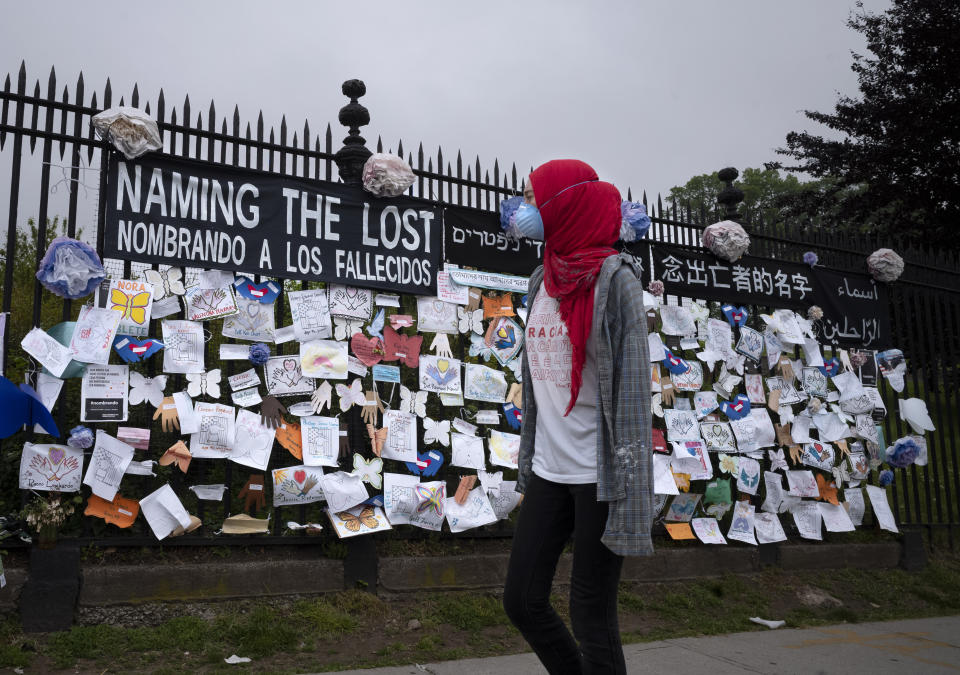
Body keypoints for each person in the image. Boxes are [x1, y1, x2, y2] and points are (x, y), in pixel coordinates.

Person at [503, 159, 653, 675]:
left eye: (531, 198)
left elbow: (633, 392)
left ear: (562, 203)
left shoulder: (617, 283)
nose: (522, 209)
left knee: (591, 614)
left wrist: (632, 489)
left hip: (600, 475)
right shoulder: (541, 279)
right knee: (522, 600)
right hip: (549, 470)